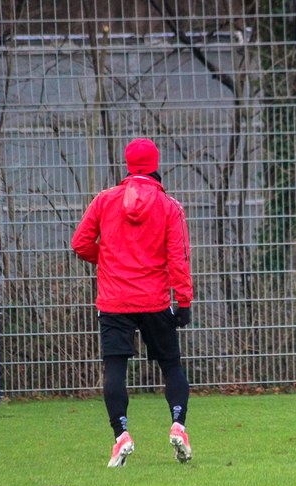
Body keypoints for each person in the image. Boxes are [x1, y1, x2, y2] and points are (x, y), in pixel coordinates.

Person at [72, 138, 194, 467]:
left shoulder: (104, 201)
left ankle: (121, 435)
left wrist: (107, 259)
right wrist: (183, 301)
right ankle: (178, 426)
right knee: (171, 366)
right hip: (155, 300)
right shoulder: (169, 206)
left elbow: (80, 243)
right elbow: (179, 258)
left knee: (115, 368)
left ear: (127, 165)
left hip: (114, 301)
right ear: (155, 165)